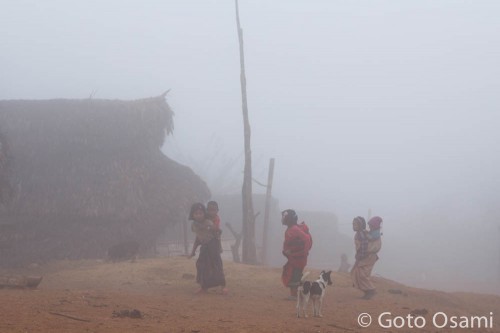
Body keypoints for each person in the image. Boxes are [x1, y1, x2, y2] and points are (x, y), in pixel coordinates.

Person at [188, 202, 227, 295]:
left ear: (204, 214)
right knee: (201, 265)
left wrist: (215, 229)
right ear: (192, 215)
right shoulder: (194, 225)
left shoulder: (208, 222)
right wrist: (193, 251)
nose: (198, 215)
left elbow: (217, 231)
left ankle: (223, 286)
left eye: (200, 213)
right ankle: (204, 287)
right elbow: (198, 238)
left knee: (216, 264)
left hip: (213, 245)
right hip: (204, 246)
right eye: (196, 213)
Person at [281, 209, 312, 300]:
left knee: (294, 275)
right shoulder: (292, 229)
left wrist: (303, 253)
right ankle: (301, 293)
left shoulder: (294, 229)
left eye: (284, 217)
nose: (282, 219)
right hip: (296, 258)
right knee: (295, 275)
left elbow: (306, 239)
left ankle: (294, 295)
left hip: (298, 259)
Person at [350, 216, 378, 300]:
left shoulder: (360, 234)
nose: (353, 226)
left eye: (355, 224)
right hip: (364, 256)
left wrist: (360, 257)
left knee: (362, 275)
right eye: (353, 224)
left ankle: (370, 290)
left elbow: (364, 246)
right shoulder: (361, 233)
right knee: (359, 273)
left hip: (365, 257)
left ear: (361, 225)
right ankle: (367, 291)